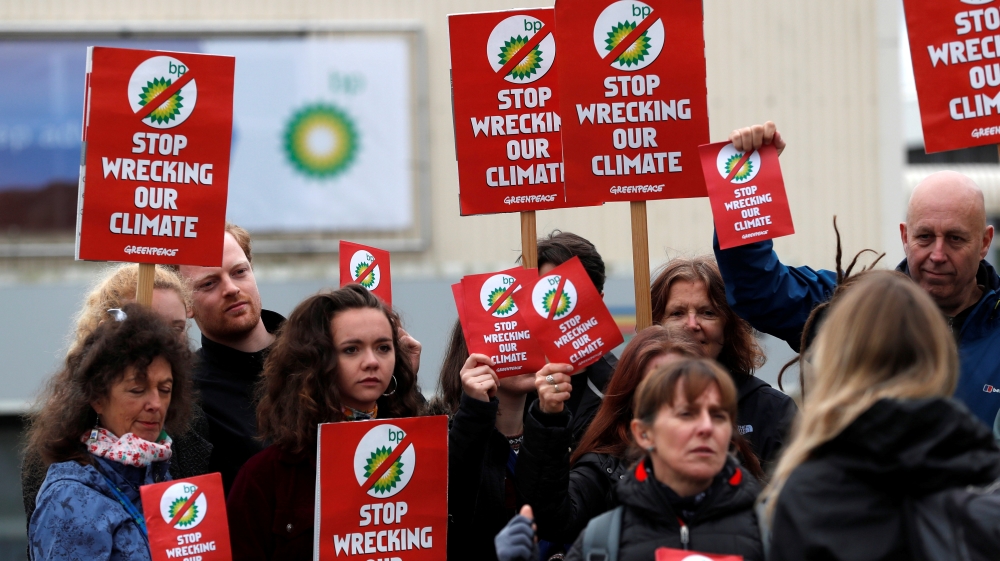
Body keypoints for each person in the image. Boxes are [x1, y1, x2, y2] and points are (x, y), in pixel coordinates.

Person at [716, 121, 1000, 426]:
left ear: (984, 242)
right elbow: (758, 288)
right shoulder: (857, 311)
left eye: (955, 238)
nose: (938, 254)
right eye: (925, 237)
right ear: (905, 237)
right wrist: (749, 184)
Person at [762, 271, 1000, 560]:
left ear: (836, 358)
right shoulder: (985, 474)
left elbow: (756, 284)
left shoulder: (809, 492)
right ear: (940, 356)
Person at [226, 285, 424, 561]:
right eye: (351, 349)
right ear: (315, 362)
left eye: (383, 348)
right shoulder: (264, 477)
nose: (372, 362)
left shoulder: (422, 455)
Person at [21, 263, 211, 529]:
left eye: (176, 328)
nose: (161, 340)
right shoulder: (59, 448)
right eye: (147, 324)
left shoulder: (192, 424)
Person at [26, 304, 194, 560]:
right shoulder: (69, 500)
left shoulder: (159, 473)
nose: (156, 404)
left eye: (165, 390)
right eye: (137, 390)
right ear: (97, 398)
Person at [515, 327, 708, 549]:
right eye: (655, 388)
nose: (674, 400)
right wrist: (549, 417)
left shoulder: (732, 468)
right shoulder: (607, 468)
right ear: (632, 401)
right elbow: (549, 519)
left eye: (685, 386)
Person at [565, 358, 764, 561]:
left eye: (719, 416)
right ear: (644, 434)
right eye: (686, 414)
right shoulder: (600, 542)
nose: (707, 427)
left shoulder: (769, 534)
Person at [650, 256, 796, 469]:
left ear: (729, 327)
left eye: (707, 313)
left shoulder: (772, 411)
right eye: (677, 313)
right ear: (655, 324)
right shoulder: (630, 405)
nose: (691, 324)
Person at [177, 222, 284, 494]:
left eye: (239, 272)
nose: (231, 288)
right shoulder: (184, 397)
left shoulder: (322, 356)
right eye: (209, 283)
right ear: (185, 304)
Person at [447, 339, 539, 560]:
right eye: (513, 338)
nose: (527, 349)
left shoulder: (558, 431)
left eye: (532, 337)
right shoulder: (449, 445)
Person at [523, 231, 618, 446]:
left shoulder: (622, 386)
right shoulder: (515, 386)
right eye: (545, 295)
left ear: (599, 301)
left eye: (569, 294)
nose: (557, 307)